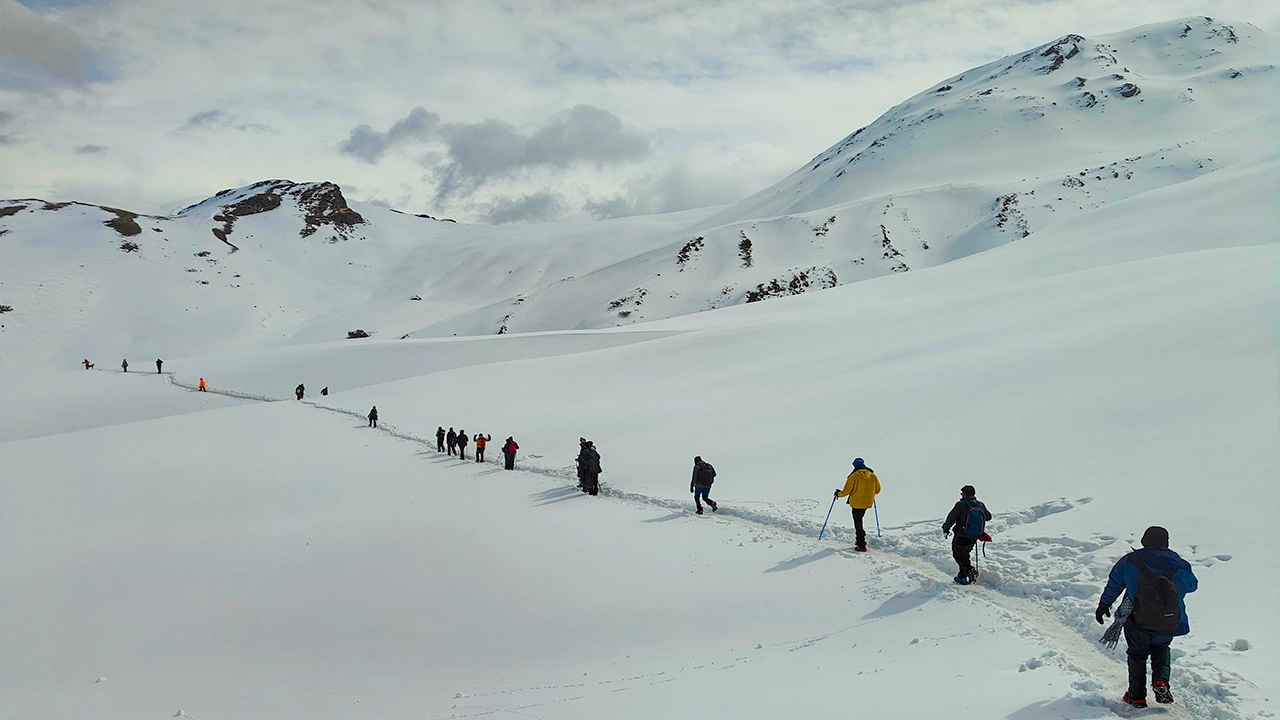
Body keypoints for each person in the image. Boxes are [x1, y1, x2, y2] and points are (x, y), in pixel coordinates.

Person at [1095, 526, 1198, 709]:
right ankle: (1161, 682)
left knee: (1137, 653)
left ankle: (1137, 697)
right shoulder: (1181, 564)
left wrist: (1104, 605)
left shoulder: (1130, 561)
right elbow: (1192, 586)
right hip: (1168, 619)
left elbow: (1115, 583)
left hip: (1137, 618)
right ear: (1166, 542)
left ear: (1144, 541)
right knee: (1161, 647)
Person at [942, 485, 992, 584]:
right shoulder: (980, 505)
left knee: (958, 555)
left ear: (964, 494)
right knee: (965, 554)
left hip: (962, 535)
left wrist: (946, 528)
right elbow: (988, 517)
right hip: (974, 536)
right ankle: (964, 575)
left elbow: (951, 518)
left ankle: (967, 572)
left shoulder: (961, 505)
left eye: (961, 493)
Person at [835, 457, 881, 551]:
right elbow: (878, 490)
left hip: (856, 503)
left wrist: (838, 494)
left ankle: (861, 544)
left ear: (855, 465)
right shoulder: (872, 475)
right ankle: (861, 538)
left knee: (858, 523)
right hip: (867, 503)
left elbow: (846, 491)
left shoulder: (853, 476)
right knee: (859, 520)